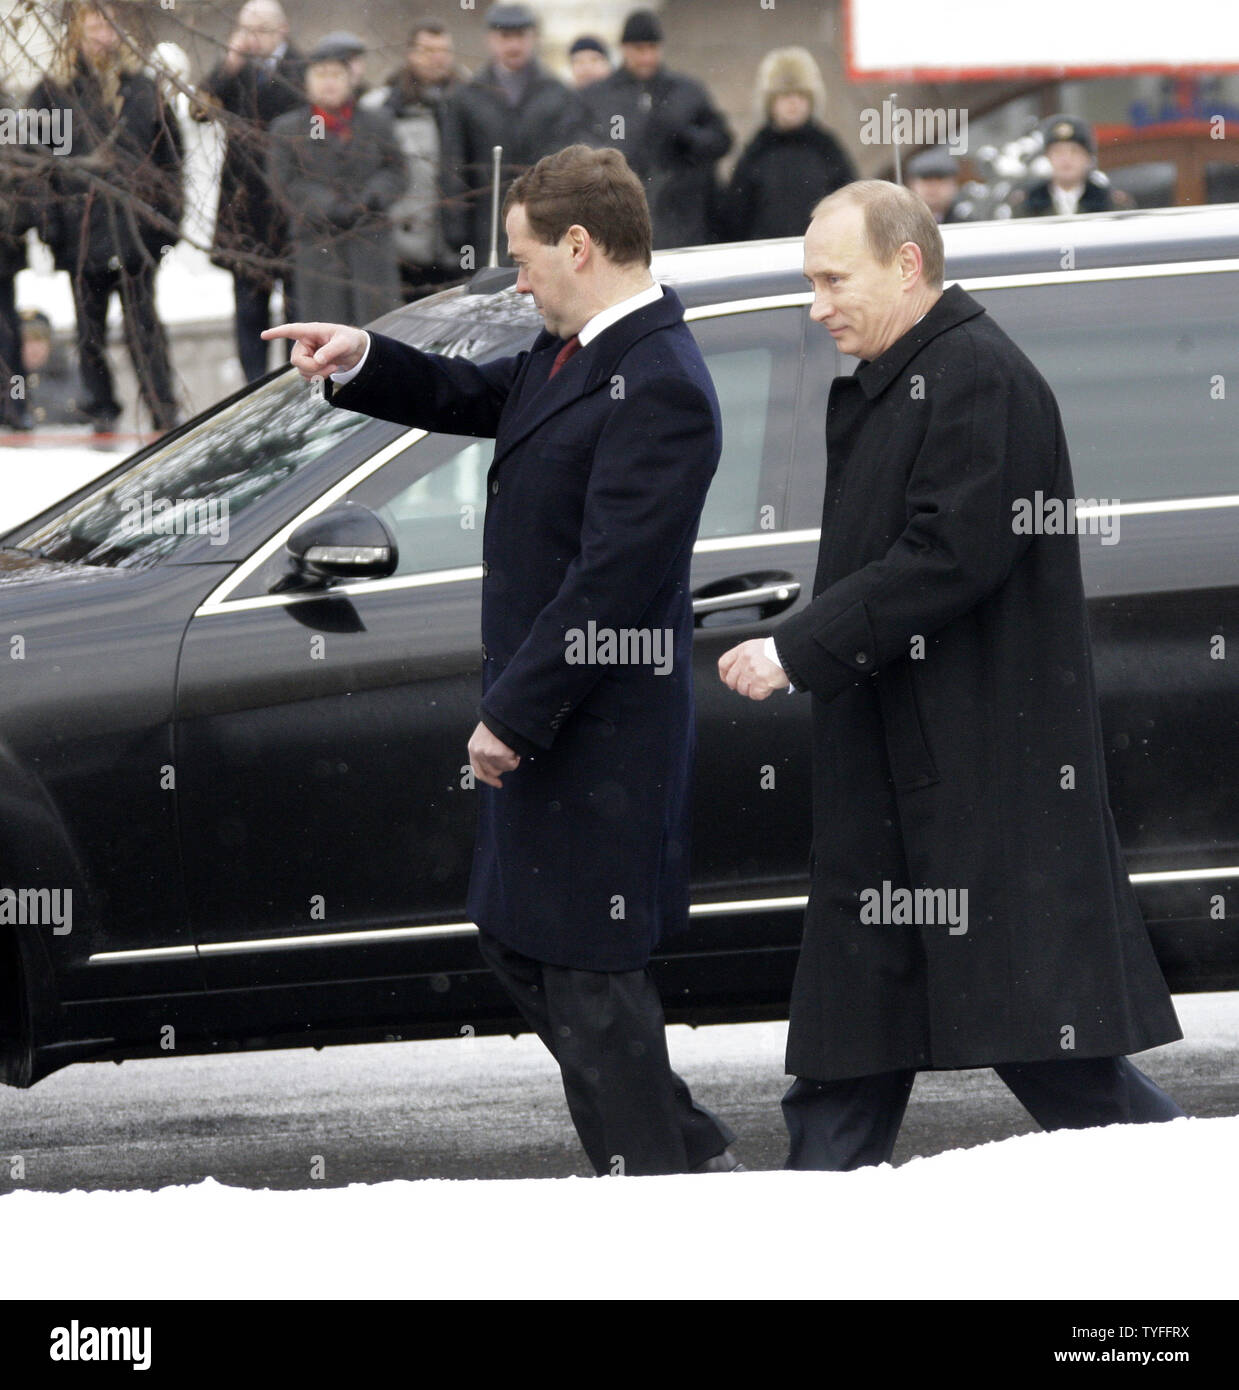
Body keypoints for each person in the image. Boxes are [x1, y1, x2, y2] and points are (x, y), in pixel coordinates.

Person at [262, 144, 739, 1178]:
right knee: (527, 946)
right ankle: (684, 1163)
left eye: (524, 260)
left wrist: (513, 714)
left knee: (589, 976)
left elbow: (611, 582)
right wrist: (362, 356)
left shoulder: (660, 382)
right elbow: (481, 395)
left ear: (580, 245)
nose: (517, 281)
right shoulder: (574, 351)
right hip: (561, 731)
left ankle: (668, 1190)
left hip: (599, 737)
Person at [718, 180, 1184, 1170]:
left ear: (908, 265)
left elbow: (947, 556)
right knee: (855, 1039)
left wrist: (796, 647)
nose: (817, 305)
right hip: (904, 772)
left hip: (976, 776)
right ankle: (799, 1241)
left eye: (833, 280)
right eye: (811, 282)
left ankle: (1185, 1188)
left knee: (1050, 1047)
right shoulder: (910, 373)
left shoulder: (976, 375)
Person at [28, 1, 183, 433]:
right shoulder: (52, 93)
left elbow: (172, 162)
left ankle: (163, 409)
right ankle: (101, 409)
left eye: (107, 23)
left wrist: (165, 228)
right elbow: (39, 168)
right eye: (92, 23)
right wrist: (52, 230)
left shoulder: (142, 89)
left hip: (136, 238)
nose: (101, 33)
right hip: (81, 237)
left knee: (146, 331)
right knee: (89, 333)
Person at [192, 0, 305, 381]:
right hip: (243, 203)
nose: (252, 38)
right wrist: (228, 64)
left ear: (281, 29)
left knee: (297, 308)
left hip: (290, 202)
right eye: (246, 29)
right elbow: (198, 111)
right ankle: (253, 384)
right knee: (248, 306)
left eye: (260, 30)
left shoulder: (302, 69)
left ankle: (295, 384)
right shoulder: (235, 72)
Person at [268, 38, 406, 326]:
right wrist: (330, 205)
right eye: (320, 74)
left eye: (336, 74)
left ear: (350, 79)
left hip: (370, 242)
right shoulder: (287, 129)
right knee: (326, 335)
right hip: (319, 247)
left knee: (379, 330)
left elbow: (397, 170)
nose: (329, 83)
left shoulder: (378, 122)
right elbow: (286, 182)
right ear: (307, 81)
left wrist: (369, 198)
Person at [439, 3, 589, 265]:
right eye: (505, 37)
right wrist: (455, 230)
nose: (513, 45)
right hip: (487, 227)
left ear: (533, 39)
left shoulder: (557, 93)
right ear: (491, 40)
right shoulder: (467, 96)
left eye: (520, 36)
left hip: (545, 225)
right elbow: (453, 166)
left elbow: (569, 164)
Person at [582, 9, 732, 250]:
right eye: (639, 49)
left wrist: (688, 138)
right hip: (618, 222)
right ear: (624, 49)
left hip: (682, 223)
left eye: (652, 48)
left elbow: (722, 140)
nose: (646, 57)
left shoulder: (686, 91)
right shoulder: (599, 97)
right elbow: (577, 147)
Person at [361, 18, 466, 300]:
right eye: (428, 50)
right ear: (410, 53)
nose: (437, 59)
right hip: (401, 239)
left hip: (458, 240)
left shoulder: (470, 101)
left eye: (444, 51)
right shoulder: (382, 107)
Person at [718, 47, 855, 242]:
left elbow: (850, 206)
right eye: (785, 96)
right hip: (765, 258)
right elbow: (735, 216)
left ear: (811, 100)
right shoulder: (756, 152)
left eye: (800, 95)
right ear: (771, 102)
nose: (793, 103)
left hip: (822, 252)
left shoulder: (827, 148)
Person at [1, 78, 39, 431]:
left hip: (2, 244)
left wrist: (13, 225)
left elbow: (24, 177)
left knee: (7, 328)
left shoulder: (8, 112)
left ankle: (15, 404)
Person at [1012, 115, 1126, 216]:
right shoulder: (1028, 202)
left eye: (1075, 152)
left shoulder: (1108, 202)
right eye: (1058, 152)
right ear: (1047, 157)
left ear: (1088, 157)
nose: (1066, 159)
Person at [17, 310, 86, 427]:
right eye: (25, 341)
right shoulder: (8, 381)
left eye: (39, 339)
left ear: (51, 343)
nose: (33, 347)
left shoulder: (76, 376)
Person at [905, 148, 974, 224]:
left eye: (940, 178)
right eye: (926, 178)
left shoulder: (967, 223)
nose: (933, 187)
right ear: (911, 184)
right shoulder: (902, 222)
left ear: (955, 184)